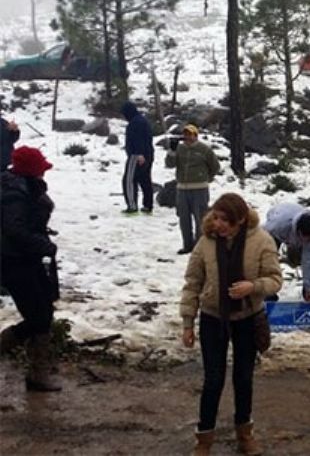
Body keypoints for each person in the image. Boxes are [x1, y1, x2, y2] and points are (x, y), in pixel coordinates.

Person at [180, 193, 282, 456]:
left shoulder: (261, 241)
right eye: (216, 217)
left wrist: (254, 286)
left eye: (225, 220)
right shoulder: (205, 243)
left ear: (240, 221)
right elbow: (192, 283)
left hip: (247, 319)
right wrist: (188, 322)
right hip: (213, 318)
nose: (219, 224)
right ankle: (203, 439)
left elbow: (275, 279)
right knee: (213, 379)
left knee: (243, 378)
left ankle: (245, 434)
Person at [0, 147, 62, 392]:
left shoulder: (24, 187)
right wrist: (43, 244)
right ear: (30, 170)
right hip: (14, 262)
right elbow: (14, 230)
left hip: (28, 259)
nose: (44, 173)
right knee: (38, 317)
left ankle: (38, 373)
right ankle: (36, 373)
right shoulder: (14, 193)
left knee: (44, 312)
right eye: (40, 169)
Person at [263, 203, 310, 301]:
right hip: (276, 225)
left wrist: (309, 289)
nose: (309, 241)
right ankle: (268, 293)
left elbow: (308, 260)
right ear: (298, 232)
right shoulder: (276, 226)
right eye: (306, 238)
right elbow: (260, 240)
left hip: (293, 220)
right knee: (268, 260)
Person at [166, 125, 220, 254]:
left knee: (200, 218)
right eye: (186, 134)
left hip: (199, 189)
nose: (188, 137)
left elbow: (215, 166)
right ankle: (187, 245)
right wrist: (172, 151)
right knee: (184, 219)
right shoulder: (179, 148)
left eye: (191, 134)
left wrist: (207, 178)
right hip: (182, 189)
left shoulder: (204, 149)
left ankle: (200, 246)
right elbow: (169, 164)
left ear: (196, 135)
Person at [121, 101, 154, 214]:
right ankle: (148, 205)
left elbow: (138, 139)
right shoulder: (143, 120)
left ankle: (132, 206)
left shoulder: (135, 123)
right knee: (145, 180)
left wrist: (139, 154)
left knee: (129, 180)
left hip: (136, 155)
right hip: (148, 154)